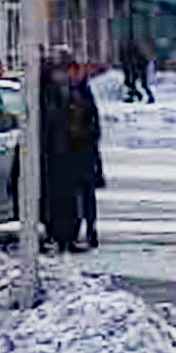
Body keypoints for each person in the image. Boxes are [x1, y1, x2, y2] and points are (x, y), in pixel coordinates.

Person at [40, 51, 85, 251]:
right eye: (60, 72)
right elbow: (48, 123)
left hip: (70, 154)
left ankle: (68, 237)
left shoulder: (73, 92)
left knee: (70, 199)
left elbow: (86, 119)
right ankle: (56, 235)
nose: (64, 76)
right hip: (51, 155)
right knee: (54, 199)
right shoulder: (45, 94)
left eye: (66, 72)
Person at [66, 54, 104, 249]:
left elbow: (95, 124)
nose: (73, 74)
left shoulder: (84, 92)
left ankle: (91, 229)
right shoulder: (63, 92)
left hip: (84, 152)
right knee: (73, 196)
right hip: (71, 152)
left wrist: (85, 135)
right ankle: (75, 231)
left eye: (75, 71)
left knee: (87, 194)